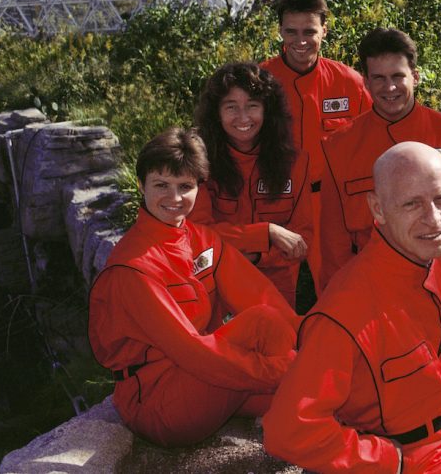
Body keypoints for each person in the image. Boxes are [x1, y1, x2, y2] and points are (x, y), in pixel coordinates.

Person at [263, 142, 441, 473]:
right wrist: (386, 460)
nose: (434, 220)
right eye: (412, 204)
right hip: (413, 459)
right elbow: (286, 430)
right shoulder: (344, 312)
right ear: (377, 208)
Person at [88, 128, 299, 447]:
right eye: (161, 185)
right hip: (159, 403)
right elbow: (195, 353)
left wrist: (315, 346)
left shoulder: (203, 239)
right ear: (141, 184)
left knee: (272, 329)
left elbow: (263, 298)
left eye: (185, 186)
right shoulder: (132, 267)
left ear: (200, 188)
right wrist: (282, 370)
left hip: (204, 381)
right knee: (297, 383)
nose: (174, 199)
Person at [316, 27, 441, 291]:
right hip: (371, 285)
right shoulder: (339, 146)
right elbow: (333, 240)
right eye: (379, 78)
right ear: (366, 82)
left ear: (415, 77)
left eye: (398, 76)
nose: (390, 87)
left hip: (440, 278)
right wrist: (345, 295)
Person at [261, 0, 371, 281]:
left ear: (324, 29)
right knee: (274, 294)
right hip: (276, 200)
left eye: (309, 31)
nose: (300, 41)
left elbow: (373, 142)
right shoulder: (259, 82)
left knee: (339, 287)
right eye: (291, 31)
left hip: (331, 205)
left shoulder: (349, 82)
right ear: (280, 31)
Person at [190, 62, 313, 309]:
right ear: (217, 112)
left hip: (277, 291)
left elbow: (303, 240)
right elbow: (197, 234)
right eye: (231, 107)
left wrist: (256, 255)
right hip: (218, 286)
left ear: (268, 110)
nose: (243, 118)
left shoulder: (296, 161)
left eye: (252, 106)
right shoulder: (198, 160)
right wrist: (266, 233)